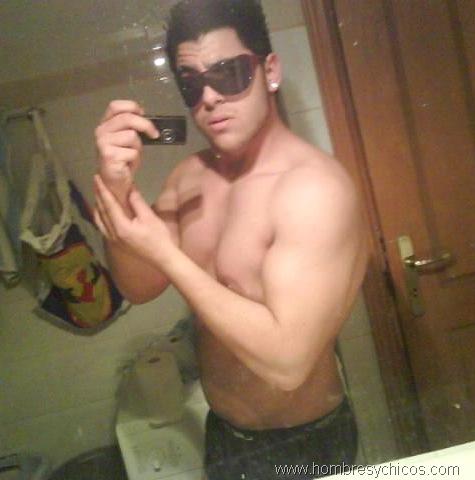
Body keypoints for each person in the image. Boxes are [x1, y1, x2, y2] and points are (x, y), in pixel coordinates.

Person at [93, 0, 368, 478]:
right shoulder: (189, 177)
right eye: (192, 83)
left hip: (306, 444)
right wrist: (117, 190)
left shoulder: (313, 189)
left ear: (270, 71)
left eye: (229, 74)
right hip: (223, 433)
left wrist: (167, 254)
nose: (210, 97)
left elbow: (288, 364)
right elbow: (138, 286)